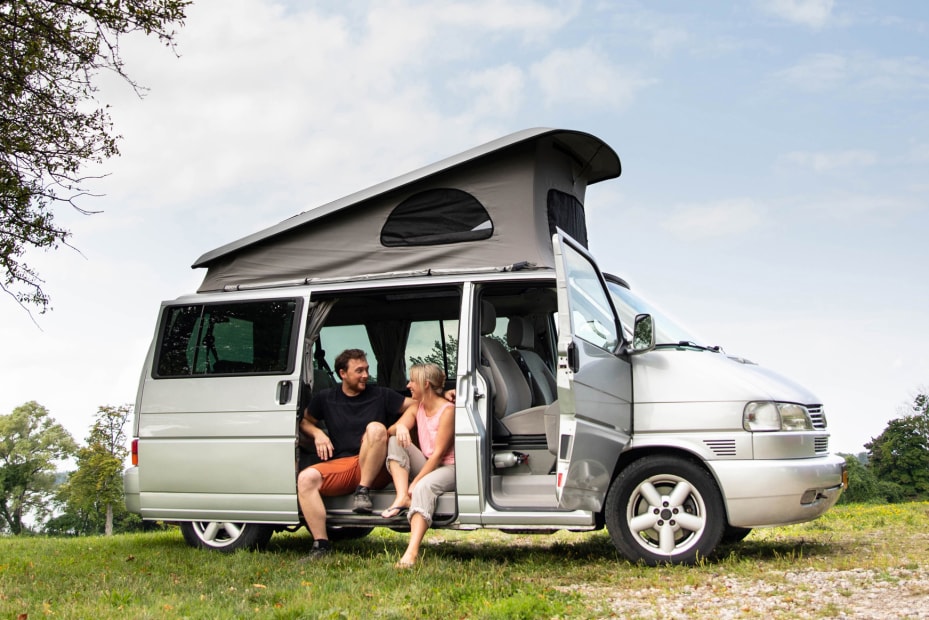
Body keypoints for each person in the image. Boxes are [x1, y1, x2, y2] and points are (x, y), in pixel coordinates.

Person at [297, 349, 452, 559]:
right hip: (346, 464)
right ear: (342, 373)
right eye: (359, 370)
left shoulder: (381, 394)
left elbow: (423, 403)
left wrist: (445, 394)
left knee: (377, 428)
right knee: (306, 479)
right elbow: (305, 421)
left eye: (367, 370)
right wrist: (317, 434)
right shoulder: (326, 398)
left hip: (378, 467)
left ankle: (364, 490)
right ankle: (321, 544)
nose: (365, 375)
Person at [382, 363, 456, 568]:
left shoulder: (448, 411)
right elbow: (391, 430)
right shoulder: (417, 407)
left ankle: (411, 553)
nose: (408, 385)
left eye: (412, 381)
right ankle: (401, 496)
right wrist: (401, 427)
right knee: (394, 440)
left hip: (449, 467)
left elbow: (438, 455)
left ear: (426, 384)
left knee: (423, 487)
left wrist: (415, 482)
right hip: (429, 463)